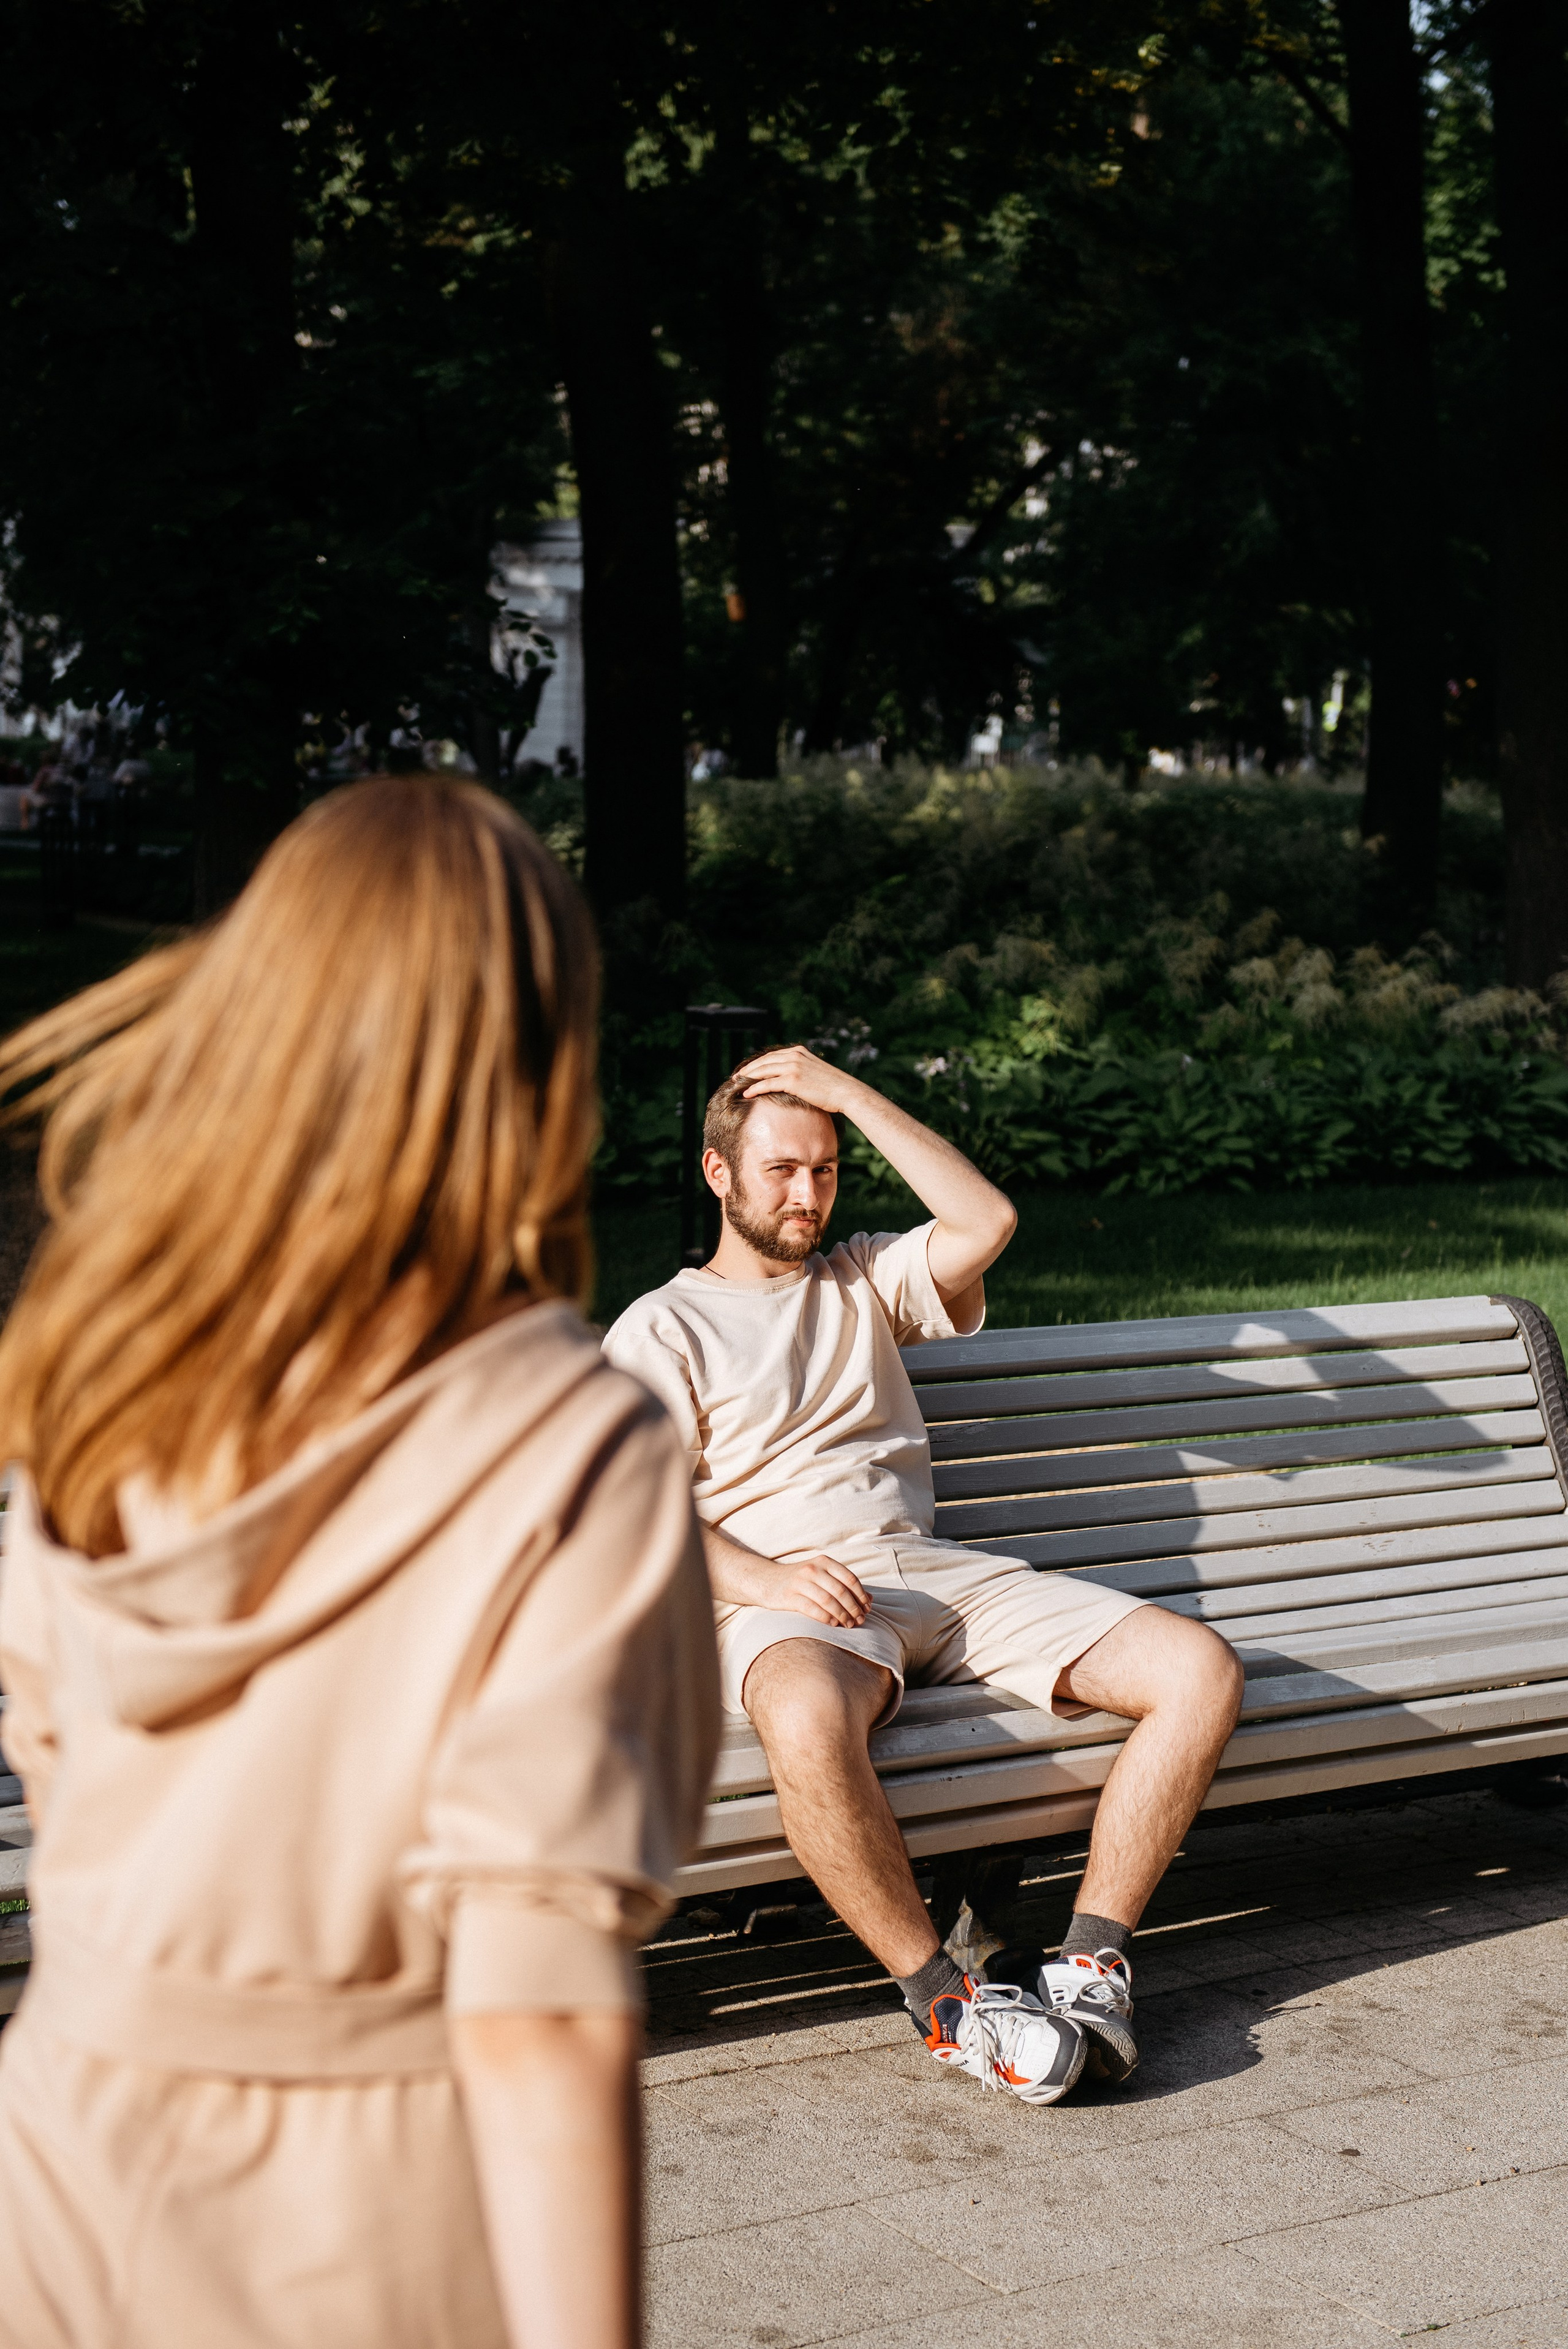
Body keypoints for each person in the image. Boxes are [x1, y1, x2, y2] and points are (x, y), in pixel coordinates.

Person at [0, 775, 720, 2349]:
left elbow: (63, 1754)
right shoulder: (575, 1449)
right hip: (362, 2214)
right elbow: (533, 2011)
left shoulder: (98, 1361)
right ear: (540, 1062)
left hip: (58, 2150)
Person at [604, 1046, 1243, 2106]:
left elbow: (986, 1223)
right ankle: (947, 2000)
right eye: (780, 1171)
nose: (806, 1194)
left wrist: (846, 1091)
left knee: (1199, 1669)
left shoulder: (863, 1277)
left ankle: (1089, 1964)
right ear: (718, 1174)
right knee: (806, 1717)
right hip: (788, 1599)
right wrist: (766, 1580)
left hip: (934, 1580)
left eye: (824, 1169)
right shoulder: (662, 1327)